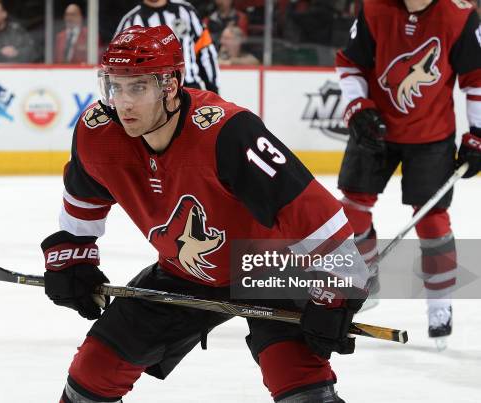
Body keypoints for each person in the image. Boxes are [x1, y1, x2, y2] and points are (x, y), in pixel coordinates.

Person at [42, 25, 371, 403]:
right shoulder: (97, 133)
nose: (123, 103)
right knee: (93, 373)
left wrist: (337, 292)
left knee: (300, 386)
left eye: (138, 87)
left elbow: (314, 212)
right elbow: (83, 202)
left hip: (269, 266)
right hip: (184, 271)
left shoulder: (227, 132)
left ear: (171, 85)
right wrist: (74, 257)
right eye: (115, 86)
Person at [336, 0, 481, 346]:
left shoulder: (459, 15)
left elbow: (476, 79)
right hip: (376, 129)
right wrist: (357, 106)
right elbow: (351, 63)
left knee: (432, 220)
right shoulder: (373, 8)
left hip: (431, 137)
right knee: (351, 210)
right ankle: (363, 282)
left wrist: (477, 132)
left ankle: (440, 305)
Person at [114, 0, 221, 93]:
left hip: (191, 88)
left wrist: (213, 90)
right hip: (152, 94)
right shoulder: (130, 22)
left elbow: (206, 52)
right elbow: (118, 64)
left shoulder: (186, 12)